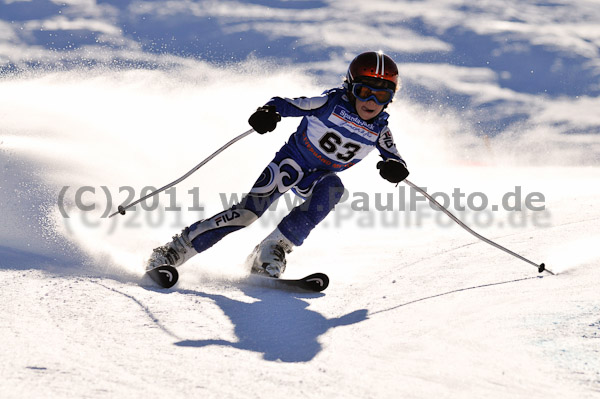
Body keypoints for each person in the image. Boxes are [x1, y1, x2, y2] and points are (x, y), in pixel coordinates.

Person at [146, 51, 410, 278]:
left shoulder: (379, 129)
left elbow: (393, 156)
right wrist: (268, 113)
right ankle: (175, 250)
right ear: (350, 87)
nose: (371, 102)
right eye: (364, 92)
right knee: (247, 213)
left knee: (333, 189)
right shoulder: (330, 104)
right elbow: (288, 104)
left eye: (382, 95)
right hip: (290, 163)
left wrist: (395, 168)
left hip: (317, 178)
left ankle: (271, 250)